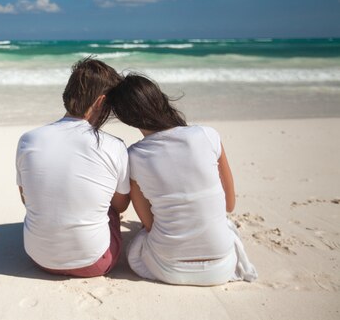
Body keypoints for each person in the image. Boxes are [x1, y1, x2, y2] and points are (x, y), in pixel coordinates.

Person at [106, 73, 257, 286]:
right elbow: (229, 205)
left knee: (139, 242)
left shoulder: (134, 156)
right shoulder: (207, 135)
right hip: (221, 267)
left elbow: (149, 225)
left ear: (126, 118)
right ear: (159, 99)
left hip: (169, 268)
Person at [15, 58, 130, 277]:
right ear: (100, 102)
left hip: (39, 258)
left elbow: (25, 199)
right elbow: (121, 205)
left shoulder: (28, 139)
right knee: (109, 209)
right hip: (95, 262)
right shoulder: (113, 146)